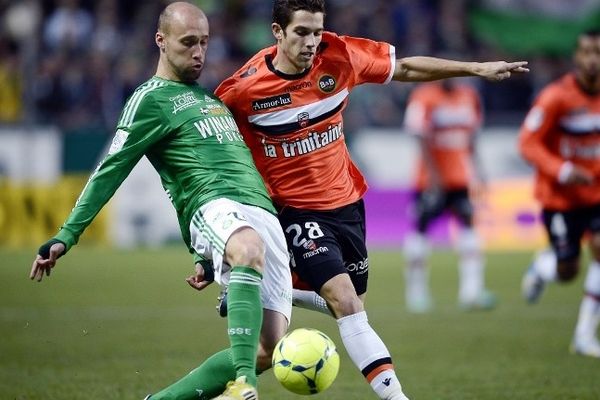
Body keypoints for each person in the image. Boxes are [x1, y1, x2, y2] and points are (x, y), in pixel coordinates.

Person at [214, 1, 528, 399]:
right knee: (346, 301)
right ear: (277, 32)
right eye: (301, 33)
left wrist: (476, 68)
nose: (312, 42)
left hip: (346, 203)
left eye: (317, 31)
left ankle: (261, 287)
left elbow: (407, 68)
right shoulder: (243, 90)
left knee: (344, 305)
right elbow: (212, 152)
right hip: (294, 211)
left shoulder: (341, 54)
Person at [29, 3, 293, 399]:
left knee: (269, 350)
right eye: (188, 42)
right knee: (247, 248)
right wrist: (67, 235)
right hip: (216, 205)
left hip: (260, 213)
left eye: (204, 42)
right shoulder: (150, 99)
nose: (199, 52)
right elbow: (110, 170)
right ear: (161, 41)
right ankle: (244, 388)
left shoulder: (210, 99)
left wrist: (207, 259)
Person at [519, 29, 600, 359]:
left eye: (598, 52)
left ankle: (584, 335)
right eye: (587, 52)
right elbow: (527, 143)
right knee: (568, 271)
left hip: (595, 196)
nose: (593, 59)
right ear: (576, 58)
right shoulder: (556, 97)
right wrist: (564, 170)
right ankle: (543, 267)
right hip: (560, 199)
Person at [401, 79, 496, 313]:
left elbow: (472, 137)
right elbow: (418, 134)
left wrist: (480, 171)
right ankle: (417, 294)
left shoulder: (469, 96)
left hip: (460, 178)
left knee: (469, 226)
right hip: (429, 181)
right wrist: (433, 175)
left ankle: (471, 292)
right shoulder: (423, 96)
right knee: (421, 230)